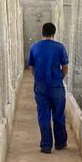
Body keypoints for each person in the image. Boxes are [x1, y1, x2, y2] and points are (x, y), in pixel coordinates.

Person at [26, 22, 69, 153]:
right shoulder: (60, 47)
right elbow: (65, 67)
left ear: (42, 32)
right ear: (54, 33)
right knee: (59, 114)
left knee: (43, 115)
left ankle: (46, 145)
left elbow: (31, 68)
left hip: (41, 86)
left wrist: (38, 78)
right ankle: (60, 143)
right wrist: (59, 77)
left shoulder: (34, 47)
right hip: (56, 85)